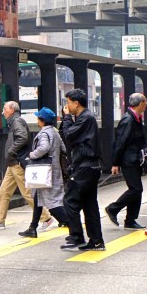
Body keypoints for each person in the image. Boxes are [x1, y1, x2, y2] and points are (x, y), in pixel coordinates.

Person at [0, 101, 53, 230]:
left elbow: (22, 137)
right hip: (13, 163)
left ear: (12, 110)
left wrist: (11, 150)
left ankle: (46, 217)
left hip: (17, 162)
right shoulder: (15, 121)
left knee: (27, 193)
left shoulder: (17, 121)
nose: (3, 111)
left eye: (5, 108)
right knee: (4, 191)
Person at [60, 89, 105, 251]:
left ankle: (76, 236)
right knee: (89, 204)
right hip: (90, 166)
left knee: (69, 200)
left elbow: (69, 135)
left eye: (68, 102)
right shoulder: (85, 118)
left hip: (85, 167)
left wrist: (66, 118)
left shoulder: (85, 118)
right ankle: (96, 240)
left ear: (76, 103)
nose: (67, 106)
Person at [17, 108, 72, 238]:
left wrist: (32, 155)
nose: (37, 120)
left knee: (52, 203)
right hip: (54, 170)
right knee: (38, 199)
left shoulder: (44, 134)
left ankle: (72, 225)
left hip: (45, 172)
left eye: (38, 118)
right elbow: (64, 149)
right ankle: (32, 227)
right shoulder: (55, 132)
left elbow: (44, 148)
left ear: (42, 120)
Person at [106, 92, 147, 229]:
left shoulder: (136, 118)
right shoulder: (128, 120)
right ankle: (113, 208)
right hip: (127, 160)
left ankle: (130, 220)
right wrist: (115, 163)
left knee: (136, 189)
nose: (146, 105)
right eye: (145, 102)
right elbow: (120, 142)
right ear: (140, 103)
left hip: (135, 159)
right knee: (136, 189)